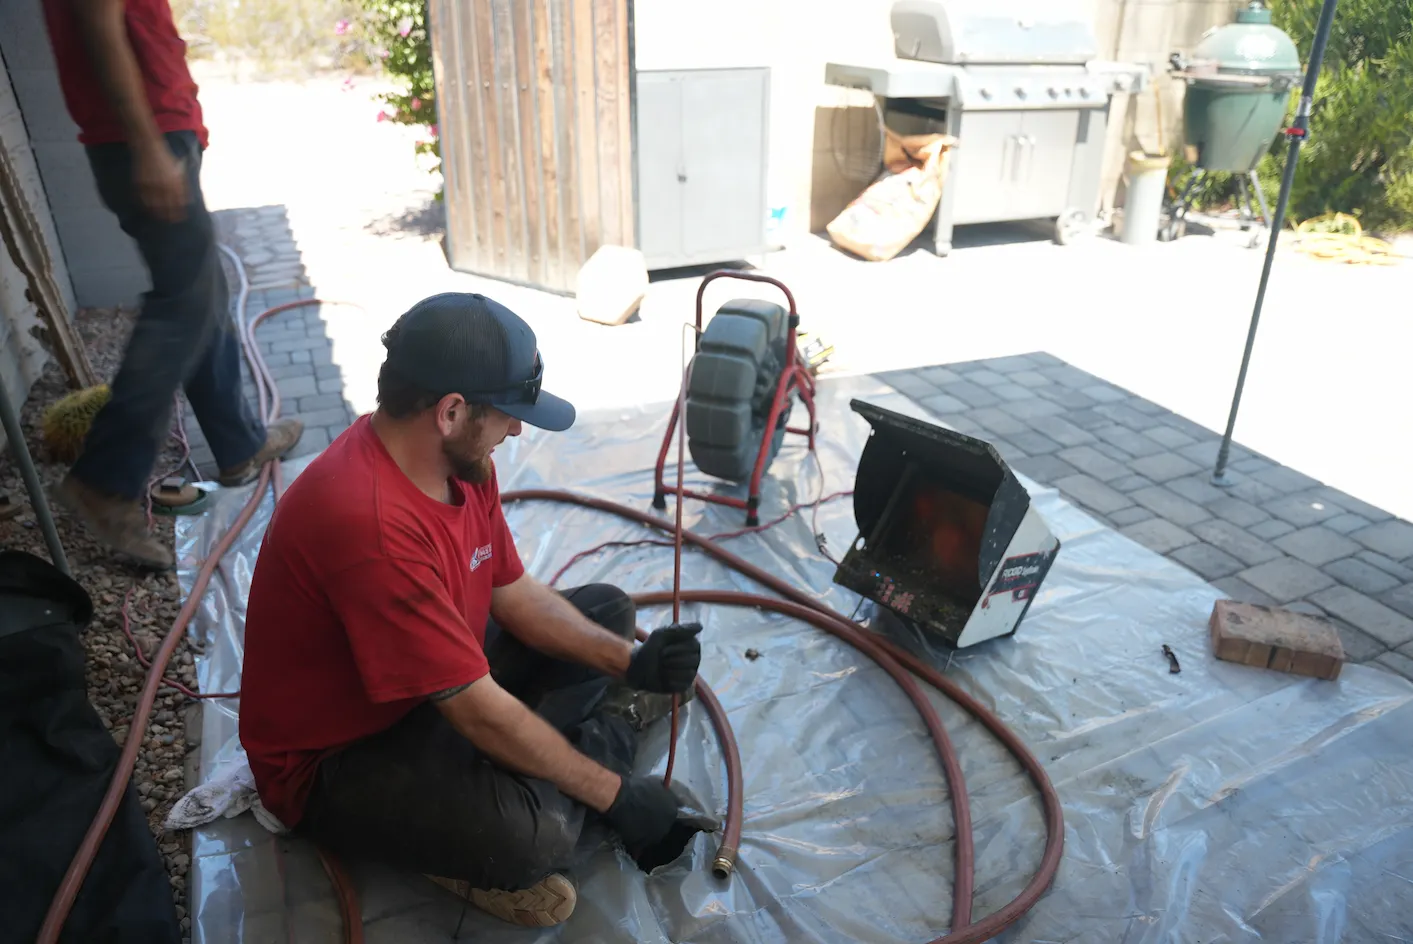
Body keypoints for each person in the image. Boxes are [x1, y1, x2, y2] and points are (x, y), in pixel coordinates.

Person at [238, 293, 701, 928]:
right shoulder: (367, 525)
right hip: (339, 757)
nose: (518, 430)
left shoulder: (461, 464)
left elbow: (513, 593)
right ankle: (586, 755)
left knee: (608, 610)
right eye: (509, 414)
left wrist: (633, 662)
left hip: (431, 686)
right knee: (535, 842)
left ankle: (547, 766)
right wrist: (614, 795)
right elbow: (475, 711)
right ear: (451, 411)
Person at [40, 0, 303, 569]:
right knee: (182, 306)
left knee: (202, 294)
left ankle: (238, 446)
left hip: (155, 134)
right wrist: (148, 145)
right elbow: (99, 22)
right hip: (146, 137)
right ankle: (106, 481)